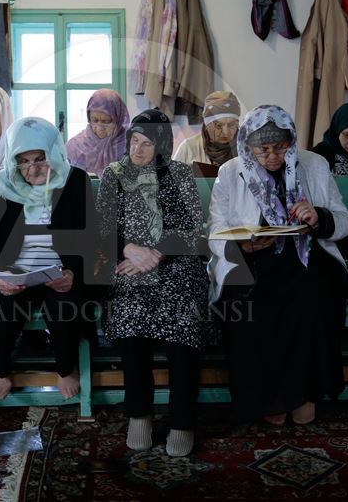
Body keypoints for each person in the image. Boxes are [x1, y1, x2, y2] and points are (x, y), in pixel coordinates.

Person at [208, 105, 348, 426]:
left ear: (292, 141)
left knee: (312, 301)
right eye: (263, 150)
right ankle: (268, 398)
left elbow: (344, 222)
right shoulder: (231, 173)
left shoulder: (314, 165)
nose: (273, 157)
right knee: (250, 306)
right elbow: (215, 230)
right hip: (251, 260)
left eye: (281, 147)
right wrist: (242, 245)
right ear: (247, 146)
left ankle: (304, 393)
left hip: (306, 257)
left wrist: (319, 217)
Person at [96, 109, 210, 457]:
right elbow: (101, 230)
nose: (139, 150)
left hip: (175, 265)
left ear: (161, 145)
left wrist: (156, 254)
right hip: (129, 264)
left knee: (184, 321)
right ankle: (139, 416)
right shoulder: (114, 175)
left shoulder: (178, 174)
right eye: (134, 141)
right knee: (130, 321)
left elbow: (192, 231)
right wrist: (130, 249)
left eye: (147, 143)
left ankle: (180, 423)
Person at [0, 117, 97, 401]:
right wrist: (0, 276)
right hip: (14, 271)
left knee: (65, 306)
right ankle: (0, 365)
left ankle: (66, 367)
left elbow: (89, 236)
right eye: (23, 161)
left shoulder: (74, 180)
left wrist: (72, 272)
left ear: (53, 154)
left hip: (60, 270)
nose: (32, 169)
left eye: (40, 159)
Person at [65, 88, 130, 177]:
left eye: (106, 121)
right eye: (95, 120)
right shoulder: (75, 146)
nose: (100, 127)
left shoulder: (130, 145)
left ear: (118, 119)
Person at [173, 90, 241, 172]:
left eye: (231, 125)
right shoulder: (189, 148)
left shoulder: (245, 149)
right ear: (206, 125)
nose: (226, 132)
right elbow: (173, 182)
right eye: (218, 125)